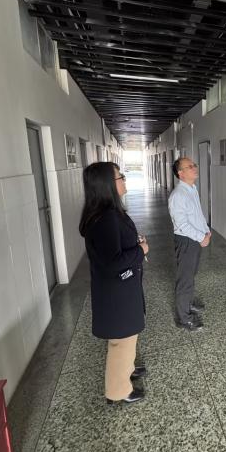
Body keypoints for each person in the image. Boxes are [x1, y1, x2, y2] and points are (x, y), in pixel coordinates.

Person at [79, 162, 149, 405]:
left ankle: (127, 369)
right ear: (107, 184)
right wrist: (141, 250)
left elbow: (114, 249)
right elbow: (113, 262)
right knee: (122, 340)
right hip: (116, 293)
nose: (124, 180)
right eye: (121, 177)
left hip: (118, 289)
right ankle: (118, 391)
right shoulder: (106, 218)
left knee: (127, 337)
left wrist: (134, 243)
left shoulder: (108, 213)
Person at [168, 157, 211, 331]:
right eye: (190, 166)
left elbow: (197, 214)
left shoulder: (191, 189)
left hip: (195, 238)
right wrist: (200, 237)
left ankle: (188, 302)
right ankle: (184, 318)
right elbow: (182, 224)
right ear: (180, 173)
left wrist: (206, 229)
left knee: (190, 274)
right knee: (185, 279)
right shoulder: (178, 195)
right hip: (186, 241)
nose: (194, 168)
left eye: (194, 165)